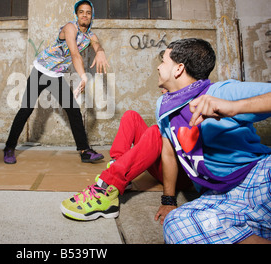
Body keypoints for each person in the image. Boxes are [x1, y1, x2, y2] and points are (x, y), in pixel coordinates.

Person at [154, 38, 271, 244]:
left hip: (257, 177)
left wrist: (234, 107)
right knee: (176, 224)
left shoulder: (221, 92)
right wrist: (168, 200)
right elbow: (169, 152)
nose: (158, 66)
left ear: (178, 69)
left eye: (163, 61)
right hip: (219, 196)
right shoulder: (163, 106)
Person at [60, 89, 192, 221]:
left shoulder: (198, 101)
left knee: (155, 132)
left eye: (163, 66)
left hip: (179, 176)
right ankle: (118, 168)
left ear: (179, 70)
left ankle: (107, 186)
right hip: (163, 163)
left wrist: (169, 200)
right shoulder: (169, 99)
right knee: (131, 116)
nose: (159, 68)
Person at [4, 0, 110, 164]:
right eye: (81, 12)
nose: (85, 15)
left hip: (57, 76)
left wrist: (100, 51)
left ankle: (85, 151)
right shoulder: (70, 28)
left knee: (73, 111)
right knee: (26, 109)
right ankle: (9, 148)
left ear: (92, 16)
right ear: (76, 14)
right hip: (41, 71)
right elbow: (74, 54)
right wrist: (83, 76)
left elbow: (96, 44)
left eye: (88, 13)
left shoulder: (90, 35)